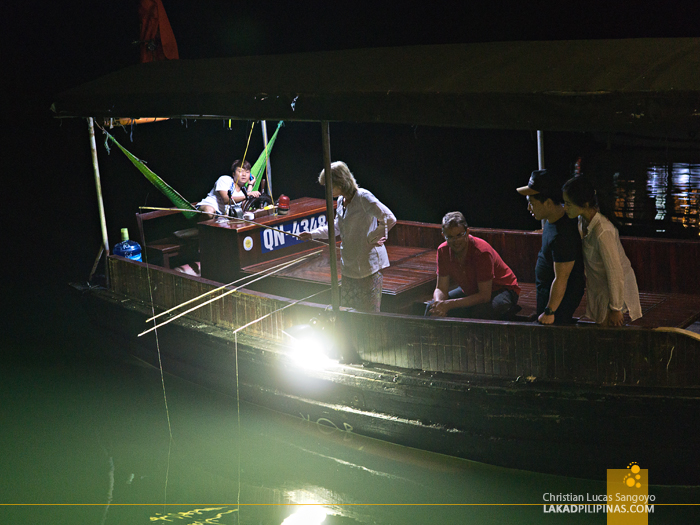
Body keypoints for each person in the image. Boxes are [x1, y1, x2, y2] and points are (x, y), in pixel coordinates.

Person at [299, 161, 396, 313]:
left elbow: (390, 218)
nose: (327, 191)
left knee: (369, 315)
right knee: (350, 314)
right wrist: (312, 234)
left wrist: (373, 236)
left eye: (329, 186)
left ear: (341, 182)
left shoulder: (363, 197)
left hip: (368, 266)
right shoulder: (341, 200)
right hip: (349, 266)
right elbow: (337, 227)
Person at [562, 176, 642, 326]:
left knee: (610, 336)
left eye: (568, 204)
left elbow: (615, 272)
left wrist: (616, 308)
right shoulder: (582, 221)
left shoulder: (603, 232)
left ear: (585, 204)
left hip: (614, 292)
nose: (565, 208)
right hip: (599, 286)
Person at [517, 169, 585, 325]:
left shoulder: (563, 236)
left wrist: (550, 311)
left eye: (532, 203)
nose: (529, 208)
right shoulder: (552, 220)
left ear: (547, 202)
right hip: (546, 295)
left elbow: (562, 278)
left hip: (558, 306)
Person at [427, 211, 520, 319]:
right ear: (444, 236)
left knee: (481, 311)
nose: (456, 241)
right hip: (473, 289)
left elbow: (484, 296)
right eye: (450, 237)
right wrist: (439, 305)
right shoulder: (443, 251)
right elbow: (441, 288)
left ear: (467, 232)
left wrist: (449, 305)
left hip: (502, 289)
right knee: (431, 307)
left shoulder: (481, 252)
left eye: (459, 235)